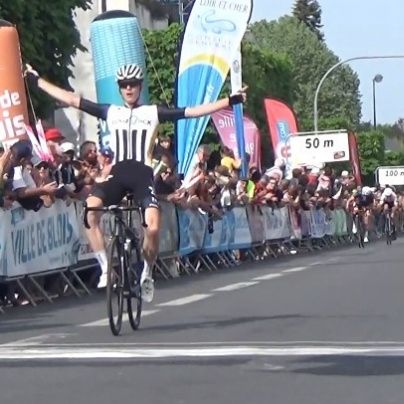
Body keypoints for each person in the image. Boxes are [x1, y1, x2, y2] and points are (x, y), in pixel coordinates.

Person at [25, 63, 247, 302]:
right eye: (124, 85)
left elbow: (193, 111)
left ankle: (147, 272)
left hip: (142, 173)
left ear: (140, 86)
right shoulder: (111, 111)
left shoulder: (152, 111)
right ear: (120, 89)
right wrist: (37, 81)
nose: (129, 89)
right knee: (90, 211)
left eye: (132, 84)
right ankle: (105, 266)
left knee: (152, 227)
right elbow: (72, 99)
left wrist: (229, 101)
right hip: (118, 173)